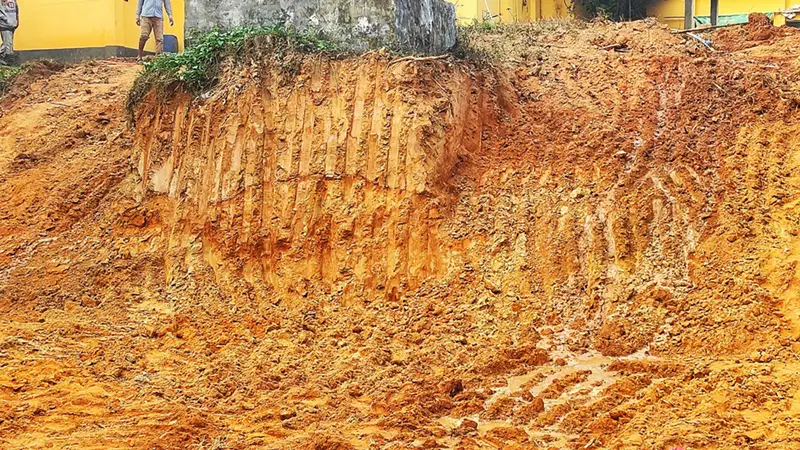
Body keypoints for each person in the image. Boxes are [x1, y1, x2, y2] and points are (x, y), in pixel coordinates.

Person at [0, 0, 18, 65]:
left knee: (8, 43)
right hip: (5, 25)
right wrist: (5, 19)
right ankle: (8, 60)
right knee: (8, 44)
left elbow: (16, 10)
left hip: (12, 24)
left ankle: (5, 58)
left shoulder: (13, 0)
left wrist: (16, 20)